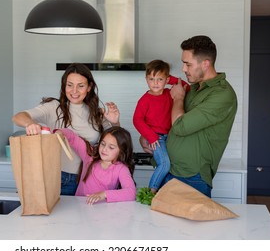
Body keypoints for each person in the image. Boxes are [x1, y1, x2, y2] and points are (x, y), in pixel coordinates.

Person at [140, 35, 237, 197]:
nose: (184, 69)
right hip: (168, 170)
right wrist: (148, 136)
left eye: (188, 64)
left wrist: (178, 98)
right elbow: (166, 120)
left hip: (192, 177)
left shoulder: (222, 95)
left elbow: (181, 125)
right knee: (158, 223)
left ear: (205, 64)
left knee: (190, 223)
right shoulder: (193, 89)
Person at [12, 63, 120, 196]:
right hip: (56, 178)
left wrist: (115, 123)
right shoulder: (54, 107)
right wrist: (29, 124)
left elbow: (115, 142)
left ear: (89, 88)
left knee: (84, 217)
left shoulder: (96, 113)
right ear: (64, 86)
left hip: (88, 179)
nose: (74, 91)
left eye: (80, 86)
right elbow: (18, 117)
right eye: (70, 85)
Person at [133, 59, 189, 194]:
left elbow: (186, 87)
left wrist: (169, 80)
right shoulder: (144, 100)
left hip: (172, 137)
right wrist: (151, 137)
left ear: (167, 80)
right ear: (146, 79)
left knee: (172, 166)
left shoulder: (170, 94)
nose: (155, 83)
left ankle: (165, 193)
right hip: (156, 138)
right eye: (151, 79)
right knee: (164, 164)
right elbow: (137, 120)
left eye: (160, 79)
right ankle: (150, 192)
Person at [55, 126, 136, 204]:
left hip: (103, 211)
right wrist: (61, 132)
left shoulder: (121, 169)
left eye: (111, 147)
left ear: (122, 151)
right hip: (79, 207)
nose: (104, 149)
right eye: (103, 144)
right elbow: (73, 138)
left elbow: (131, 193)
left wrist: (103, 194)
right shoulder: (90, 156)